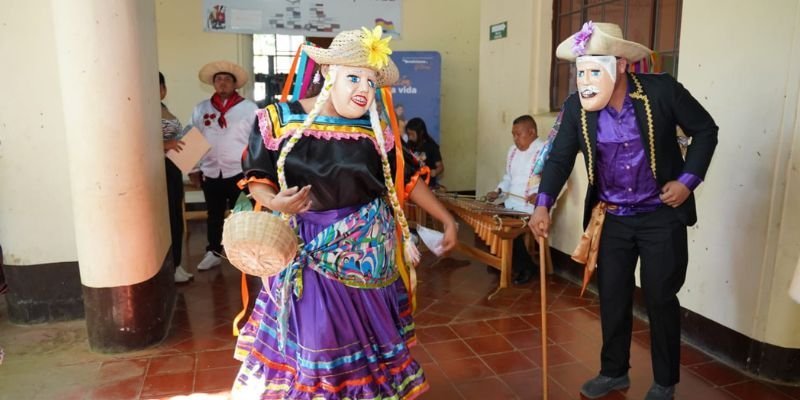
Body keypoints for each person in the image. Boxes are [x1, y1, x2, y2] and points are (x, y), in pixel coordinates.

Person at [232, 26, 458, 399]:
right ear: (328, 73)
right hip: (305, 249)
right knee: (318, 341)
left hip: (367, 253)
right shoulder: (278, 119)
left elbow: (405, 178)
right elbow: (259, 177)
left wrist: (447, 218)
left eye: (371, 82)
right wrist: (274, 202)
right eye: (354, 78)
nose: (364, 89)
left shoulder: (376, 129)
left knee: (364, 338)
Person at [529, 22, 718, 400]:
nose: (585, 78)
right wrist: (543, 204)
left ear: (620, 64)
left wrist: (687, 181)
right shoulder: (577, 107)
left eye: (594, 66)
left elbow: (705, 130)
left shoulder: (661, 91)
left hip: (660, 216)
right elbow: (560, 158)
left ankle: (664, 381)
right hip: (612, 216)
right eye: (580, 69)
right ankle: (613, 372)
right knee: (613, 296)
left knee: (660, 297)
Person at [188, 61, 257, 271]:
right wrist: (193, 168)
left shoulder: (249, 108)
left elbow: (258, 140)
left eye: (227, 79)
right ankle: (213, 252)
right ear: (213, 83)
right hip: (211, 171)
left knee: (244, 214)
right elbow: (192, 137)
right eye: (219, 79)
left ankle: (247, 252)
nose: (223, 83)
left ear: (235, 84)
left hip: (240, 172)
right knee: (214, 214)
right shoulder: (201, 109)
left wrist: (256, 169)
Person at [486, 115, 545, 285]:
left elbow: (557, 181)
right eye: (513, 135)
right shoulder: (512, 151)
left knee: (507, 226)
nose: (515, 139)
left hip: (532, 208)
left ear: (531, 132)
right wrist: (498, 191)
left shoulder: (544, 151)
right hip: (511, 203)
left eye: (518, 134)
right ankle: (501, 260)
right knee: (490, 216)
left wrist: (541, 197)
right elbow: (508, 178)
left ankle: (526, 267)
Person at [159, 72, 193, 283]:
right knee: (167, 219)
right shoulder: (143, 111)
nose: (158, 91)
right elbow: (138, 142)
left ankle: (177, 264)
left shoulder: (164, 109)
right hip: (158, 170)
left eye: (160, 86)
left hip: (173, 167)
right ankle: (170, 268)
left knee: (175, 217)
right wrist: (165, 145)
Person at [406, 117, 444, 188]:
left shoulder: (431, 146)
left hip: (428, 186)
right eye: (408, 134)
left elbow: (440, 167)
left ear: (421, 133)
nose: (410, 137)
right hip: (413, 185)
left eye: (412, 134)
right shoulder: (408, 145)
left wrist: (435, 172)